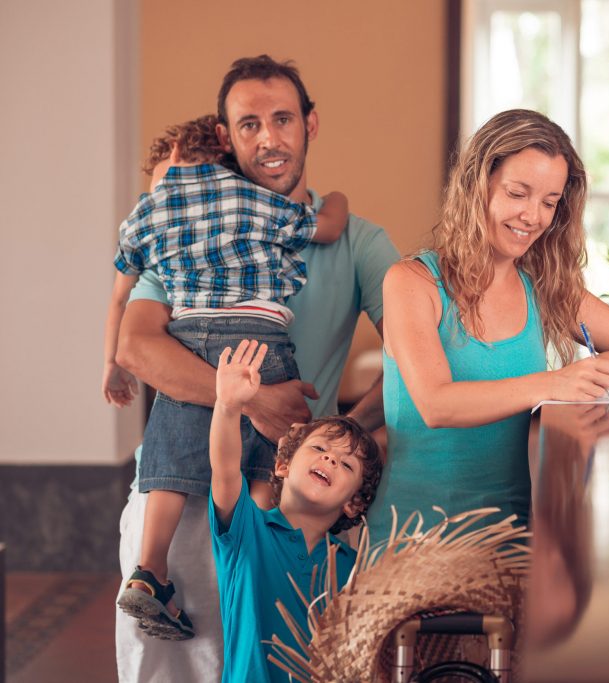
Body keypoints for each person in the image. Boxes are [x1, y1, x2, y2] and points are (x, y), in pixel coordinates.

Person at [114, 55, 399, 682]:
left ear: (310, 125)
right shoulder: (192, 231)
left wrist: (344, 430)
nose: (268, 138)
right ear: (227, 136)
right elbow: (137, 347)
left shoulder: (357, 242)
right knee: (168, 672)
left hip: (294, 507)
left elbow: (411, 349)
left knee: (282, 667)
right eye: (249, 124)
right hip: (185, 486)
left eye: (282, 119)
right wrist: (255, 402)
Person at [366, 109, 609, 544]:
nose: (533, 216)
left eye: (549, 202)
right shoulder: (412, 282)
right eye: (518, 193)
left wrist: (590, 375)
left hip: (511, 538)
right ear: (477, 185)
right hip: (415, 540)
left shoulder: (541, 285)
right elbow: (437, 405)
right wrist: (554, 383)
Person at [105, 114, 349, 640]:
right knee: (268, 457)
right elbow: (326, 225)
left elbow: (120, 294)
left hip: (190, 335)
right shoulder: (253, 199)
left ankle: (150, 570)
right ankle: (252, 559)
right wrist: (339, 200)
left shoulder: (151, 213)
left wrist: (108, 364)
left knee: (169, 455)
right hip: (260, 337)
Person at [209, 339, 382, 683]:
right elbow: (226, 470)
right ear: (284, 464)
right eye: (319, 448)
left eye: (346, 465)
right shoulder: (247, 531)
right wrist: (227, 407)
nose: (330, 458)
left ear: (354, 502)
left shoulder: (354, 570)